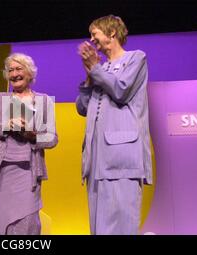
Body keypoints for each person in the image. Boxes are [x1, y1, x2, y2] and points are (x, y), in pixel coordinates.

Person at [75, 15, 152, 235]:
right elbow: (82, 107)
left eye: (95, 33)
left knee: (120, 223)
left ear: (111, 33)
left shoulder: (136, 58)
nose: (91, 39)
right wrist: (90, 75)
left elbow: (121, 91)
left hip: (121, 156)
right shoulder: (101, 68)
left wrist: (96, 69)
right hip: (96, 158)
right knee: (98, 227)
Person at [0, 53, 58, 235]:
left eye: (18, 69)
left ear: (29, 72)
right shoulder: (0, 99)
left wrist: (32, 136)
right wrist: (7, 126)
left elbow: (52, 138)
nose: (14, 74)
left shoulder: (44, 101)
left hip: (28, 173)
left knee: (25, 225)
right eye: (10, 70)